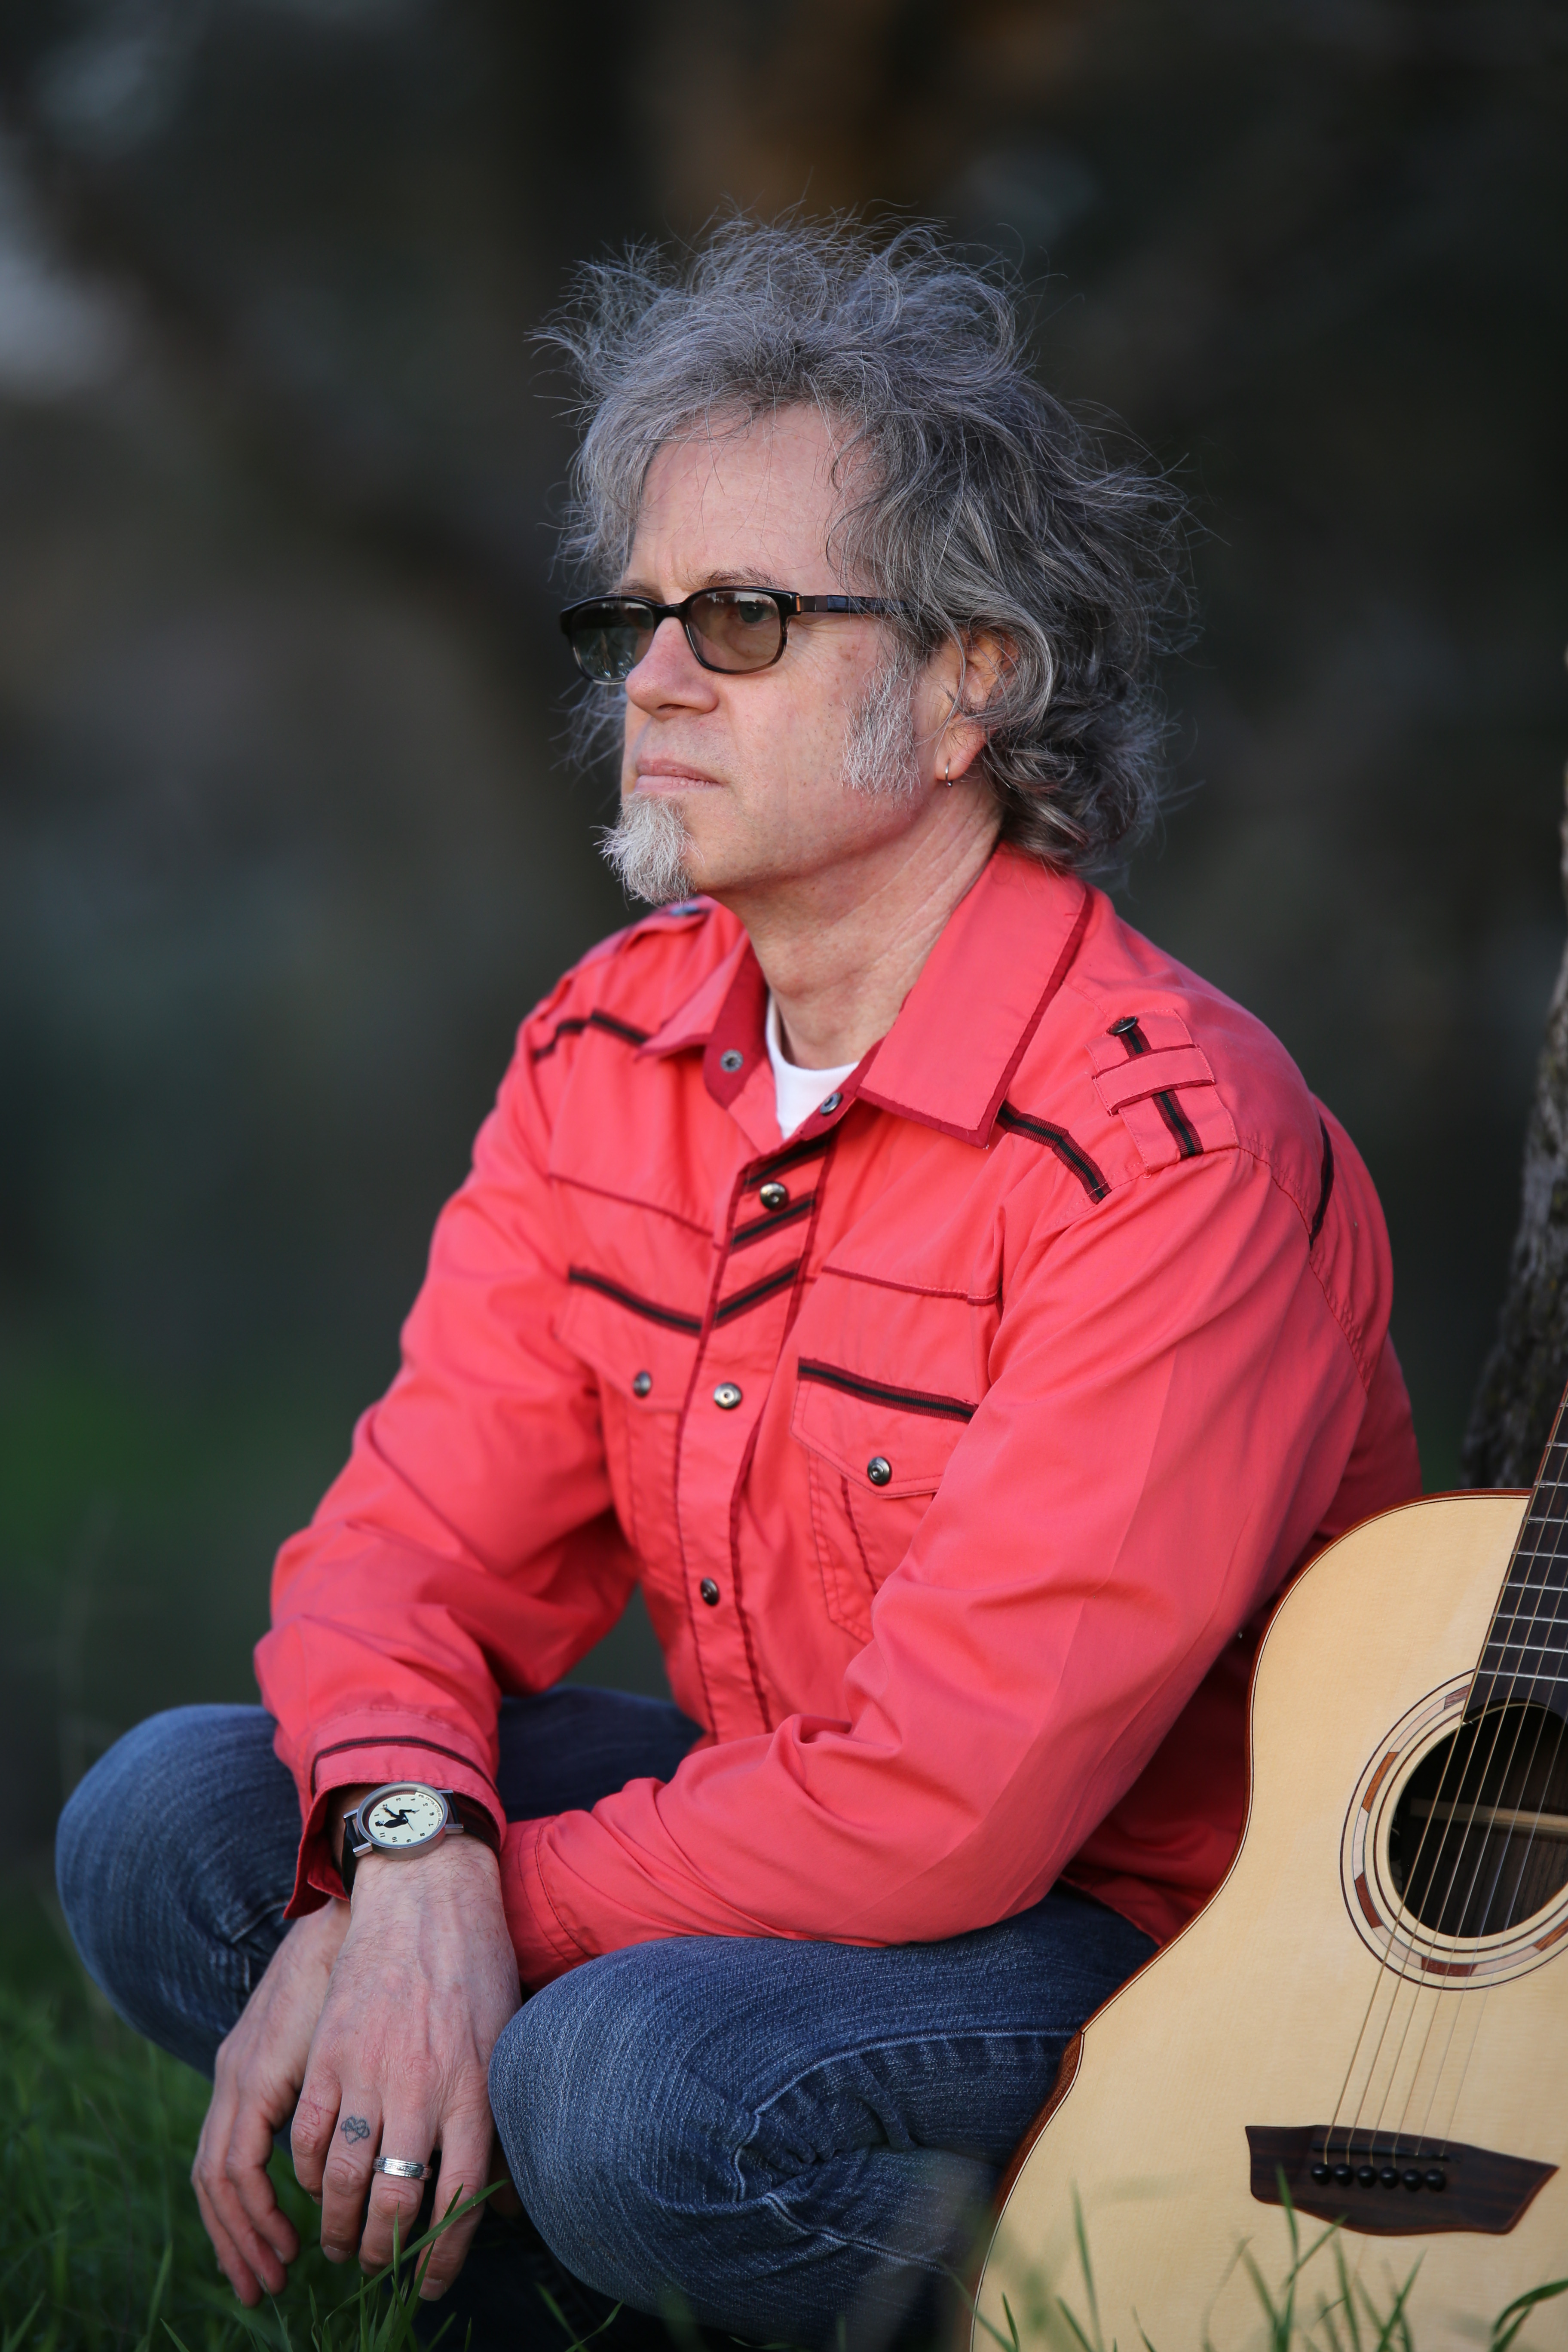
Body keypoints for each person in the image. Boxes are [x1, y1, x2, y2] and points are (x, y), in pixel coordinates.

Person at [57, 219, 1421, 2352]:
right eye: (640, 616)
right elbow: (405, 1556)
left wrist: (462, 1914)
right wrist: (403, 1853)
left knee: (629, 2084)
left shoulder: (1170, 1148)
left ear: (973, 680)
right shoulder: (608, 1044)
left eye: (748, 620)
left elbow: (950, 1810)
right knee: (169, 1825)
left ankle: (1119, 2315)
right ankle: (558, 2305)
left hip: (1120, 1938)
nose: (655, 682)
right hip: (768, 1856)